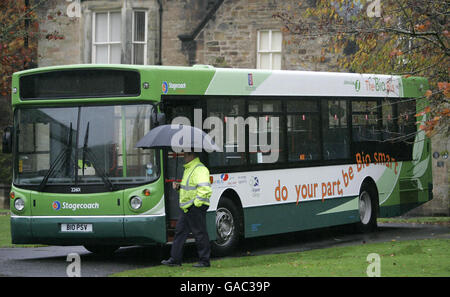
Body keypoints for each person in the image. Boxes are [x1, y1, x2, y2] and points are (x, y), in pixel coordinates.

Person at [161, 151, 212, 267]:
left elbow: (205, 189)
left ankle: (204, 261)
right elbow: (189, 189)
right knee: (180, 232)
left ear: (192, 155)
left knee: (199, 233)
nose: (183, 156)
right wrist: (178, 187)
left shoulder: (200, 169)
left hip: (194, 207)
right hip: (187, 207)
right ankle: (175, 260)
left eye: (186, 154)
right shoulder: (189, 168)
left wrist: (196, 204)